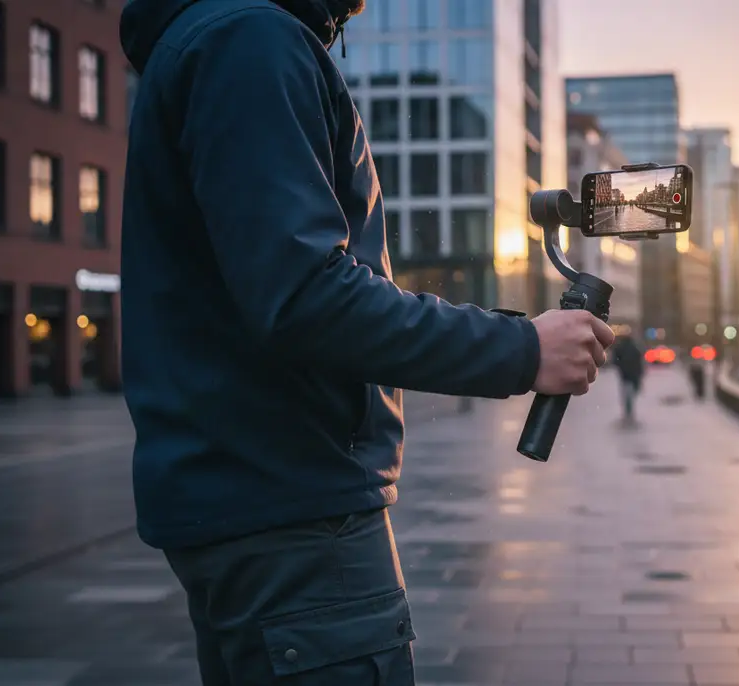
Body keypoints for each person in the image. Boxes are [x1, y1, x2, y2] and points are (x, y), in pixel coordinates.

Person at [118, 1, 614, 683]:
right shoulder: (248, 38)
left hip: (254, 506)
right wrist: (523, 349)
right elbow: (306, 296)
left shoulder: (222, 36)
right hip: (296, 520)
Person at [611, 335, 645, 421]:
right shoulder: (635, 349)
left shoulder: (620, 349)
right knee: (631, 393)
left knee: (627, 394)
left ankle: (628, 411)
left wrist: (621, 367)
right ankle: (629, 411)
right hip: (633, 375)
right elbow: (640, 362)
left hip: (625, 375)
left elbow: (615, 360)